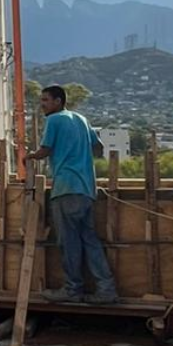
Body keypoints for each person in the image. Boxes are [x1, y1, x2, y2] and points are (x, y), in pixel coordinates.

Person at [26, 84, 118, 304]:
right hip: (86, 188)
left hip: (66, 187)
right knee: (90, 240)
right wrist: (79, 155)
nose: (42, 105)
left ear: (58, 101)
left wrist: (30, 157)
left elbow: (45, 150)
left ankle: (72, 289)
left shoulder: (54, 120)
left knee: (68, 242)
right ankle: (106, 290)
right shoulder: (81, 119)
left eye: (46, 101)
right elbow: (98, 147)